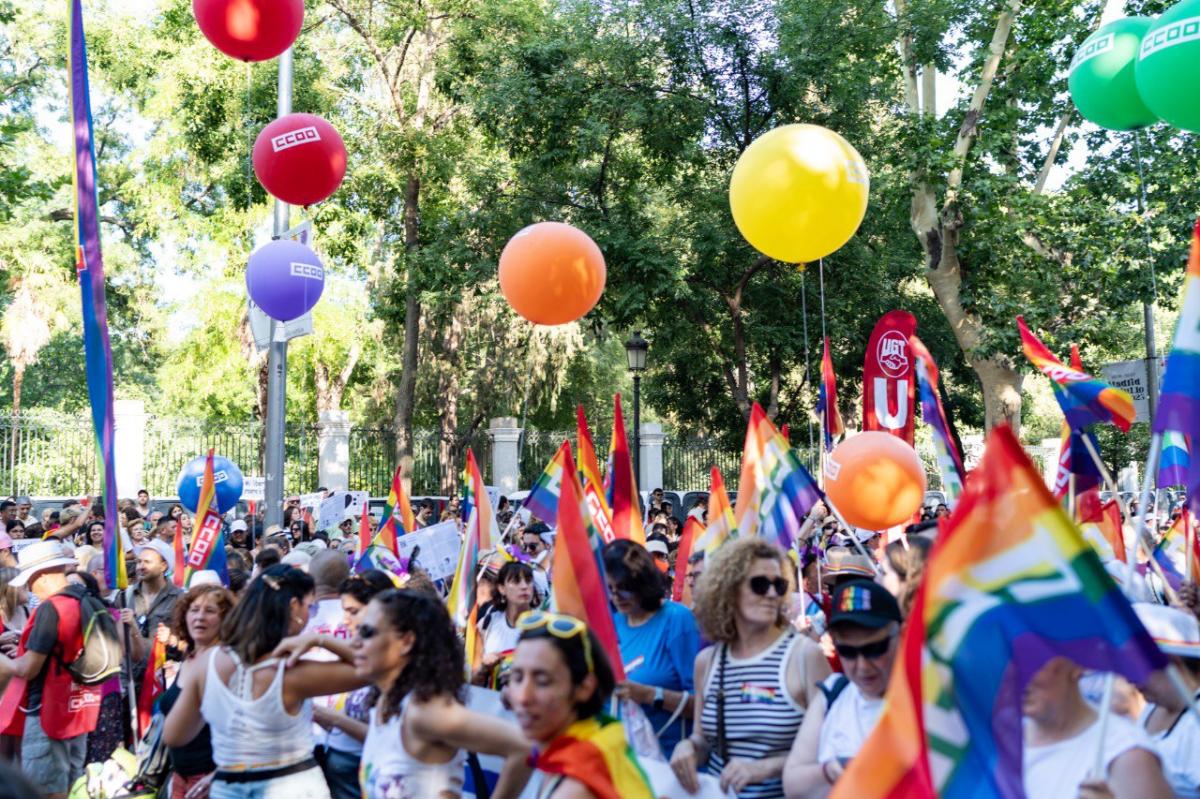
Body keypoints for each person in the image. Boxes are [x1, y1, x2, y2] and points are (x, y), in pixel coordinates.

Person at [302, 588, 532, 798]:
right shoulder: (388, 700)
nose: (355, 642)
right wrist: (317, 640)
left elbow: (522, 748)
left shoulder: (424, 711)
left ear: (406, 642)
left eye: (367, 632)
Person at [164, 565, 368, 798]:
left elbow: (175, 735)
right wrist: (320, 640)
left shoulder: (206, 662)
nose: (309, 617)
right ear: (293, 607)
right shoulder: (289, 671)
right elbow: (370, 668)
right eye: (309, 607)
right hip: (291, 786)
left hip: (228, 785)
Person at [671, 538, 831, 798]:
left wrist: (769, 767)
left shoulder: (805, 657)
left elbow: (831, 750)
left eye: (779, 585)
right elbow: (703, 740)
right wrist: (688, 747)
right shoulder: (708, 662)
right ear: (729, 590)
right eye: (759, 585)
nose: (771, 594)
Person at [506, 610, 654, 798]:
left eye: (542, 681)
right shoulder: (598, 741)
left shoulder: (575, 787)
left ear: (585, 687)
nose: (523, 698)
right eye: (517, 677)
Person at [0, 541, 102, 799]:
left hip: (47, 715)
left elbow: (28, 669)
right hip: (79, 711)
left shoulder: (51, 608)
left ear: (42, 575)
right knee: (70, 788)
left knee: (44, 792)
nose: (28, 587)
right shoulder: (86, 599)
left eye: (30, 580)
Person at [782, 579, 901, 796]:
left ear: (899, 637)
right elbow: (793, 784)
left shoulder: (927, 698)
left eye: (875, 648)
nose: (862, 666)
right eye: (848, 652)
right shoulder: (833, 693)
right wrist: (832, 770)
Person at [1022, 656, 1171, 799]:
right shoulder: (1004, 740)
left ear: (1075, 663)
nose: (1020, 676)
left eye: (1036, 661)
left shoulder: (1125, 752)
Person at [603, 539, 700, 755]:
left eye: (624, 588)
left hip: (671, 762)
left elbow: (702, 703)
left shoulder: (677, 620)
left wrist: (650, 695)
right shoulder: (613, 623)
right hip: (626, 762)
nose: (617, 596)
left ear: (643, 582)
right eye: (611, 589)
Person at [159, 584, 236, 799]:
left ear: (226, 619)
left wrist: (220, 774)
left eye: (210, 611)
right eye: (194, 610)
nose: (199, 617)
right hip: (181, 777)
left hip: (212, 782)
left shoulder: (226, 660)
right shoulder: (191, 656)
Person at [302, 551, 361, 799]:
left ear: (312, 580)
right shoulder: (362, 617)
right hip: (352, 735)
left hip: (307, 734)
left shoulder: (298, 618)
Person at [1133, 603, 1200, 798]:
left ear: (1173, 663)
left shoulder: (1195, 724)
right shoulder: (1151, 708)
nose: (1130, 678)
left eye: (1138, 668)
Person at [125, 539, 183, 680]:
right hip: (130, 678)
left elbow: (187, 641)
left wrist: (172, 639)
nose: (140, 566)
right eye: (139, 562)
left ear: (163, 566)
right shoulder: (126, 595)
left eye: (147, 562)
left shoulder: (180, 598)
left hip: (161, 678)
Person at [474, 561, 538, 686]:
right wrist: (485, 669)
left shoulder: (543, 624)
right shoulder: (487, 624)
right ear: (501, 588)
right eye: (516, 581)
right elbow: (473, 682)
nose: (524, 586)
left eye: (528, 580)